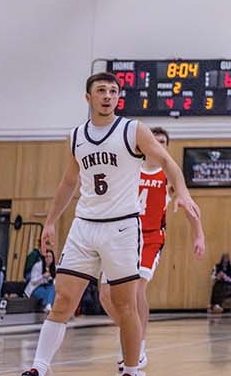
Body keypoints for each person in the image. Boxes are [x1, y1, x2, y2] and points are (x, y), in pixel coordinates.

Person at [19, 71, 200, 376]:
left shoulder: (133, 130)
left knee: (125, 304)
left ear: (119, 97)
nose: (107, 96)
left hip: (122, 227)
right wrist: (50, 221)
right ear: (88, 97)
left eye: (113, 91)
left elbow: (167, 161)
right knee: (63, 297)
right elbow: (68, 182)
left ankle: (131, 369)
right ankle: (38, 366)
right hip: (84, 225)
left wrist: (181, 191)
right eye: (101, 90)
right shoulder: (77, 136)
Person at [100, 126, 205, 370]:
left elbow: (188, 205)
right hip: (121, 236)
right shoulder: (129, 169)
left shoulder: (167, 175)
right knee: (106, 296)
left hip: (150, 238)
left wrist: (198, 234)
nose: (159, 144)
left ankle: (138, 347)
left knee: (136, 292)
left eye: (163, 142)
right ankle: (131, 334)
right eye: (155, 140)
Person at [25, 247, 56, 313]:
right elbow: (33, 281)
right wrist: (42, 276)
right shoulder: (38, 265)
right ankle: (48, 305)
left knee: (52, 288)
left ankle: (47, 306)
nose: (48, 258)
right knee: (49, 295)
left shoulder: (54, 268)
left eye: (50, 257)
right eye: (46, 256)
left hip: (47, 288)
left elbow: (54, 282)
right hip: (36, 288)